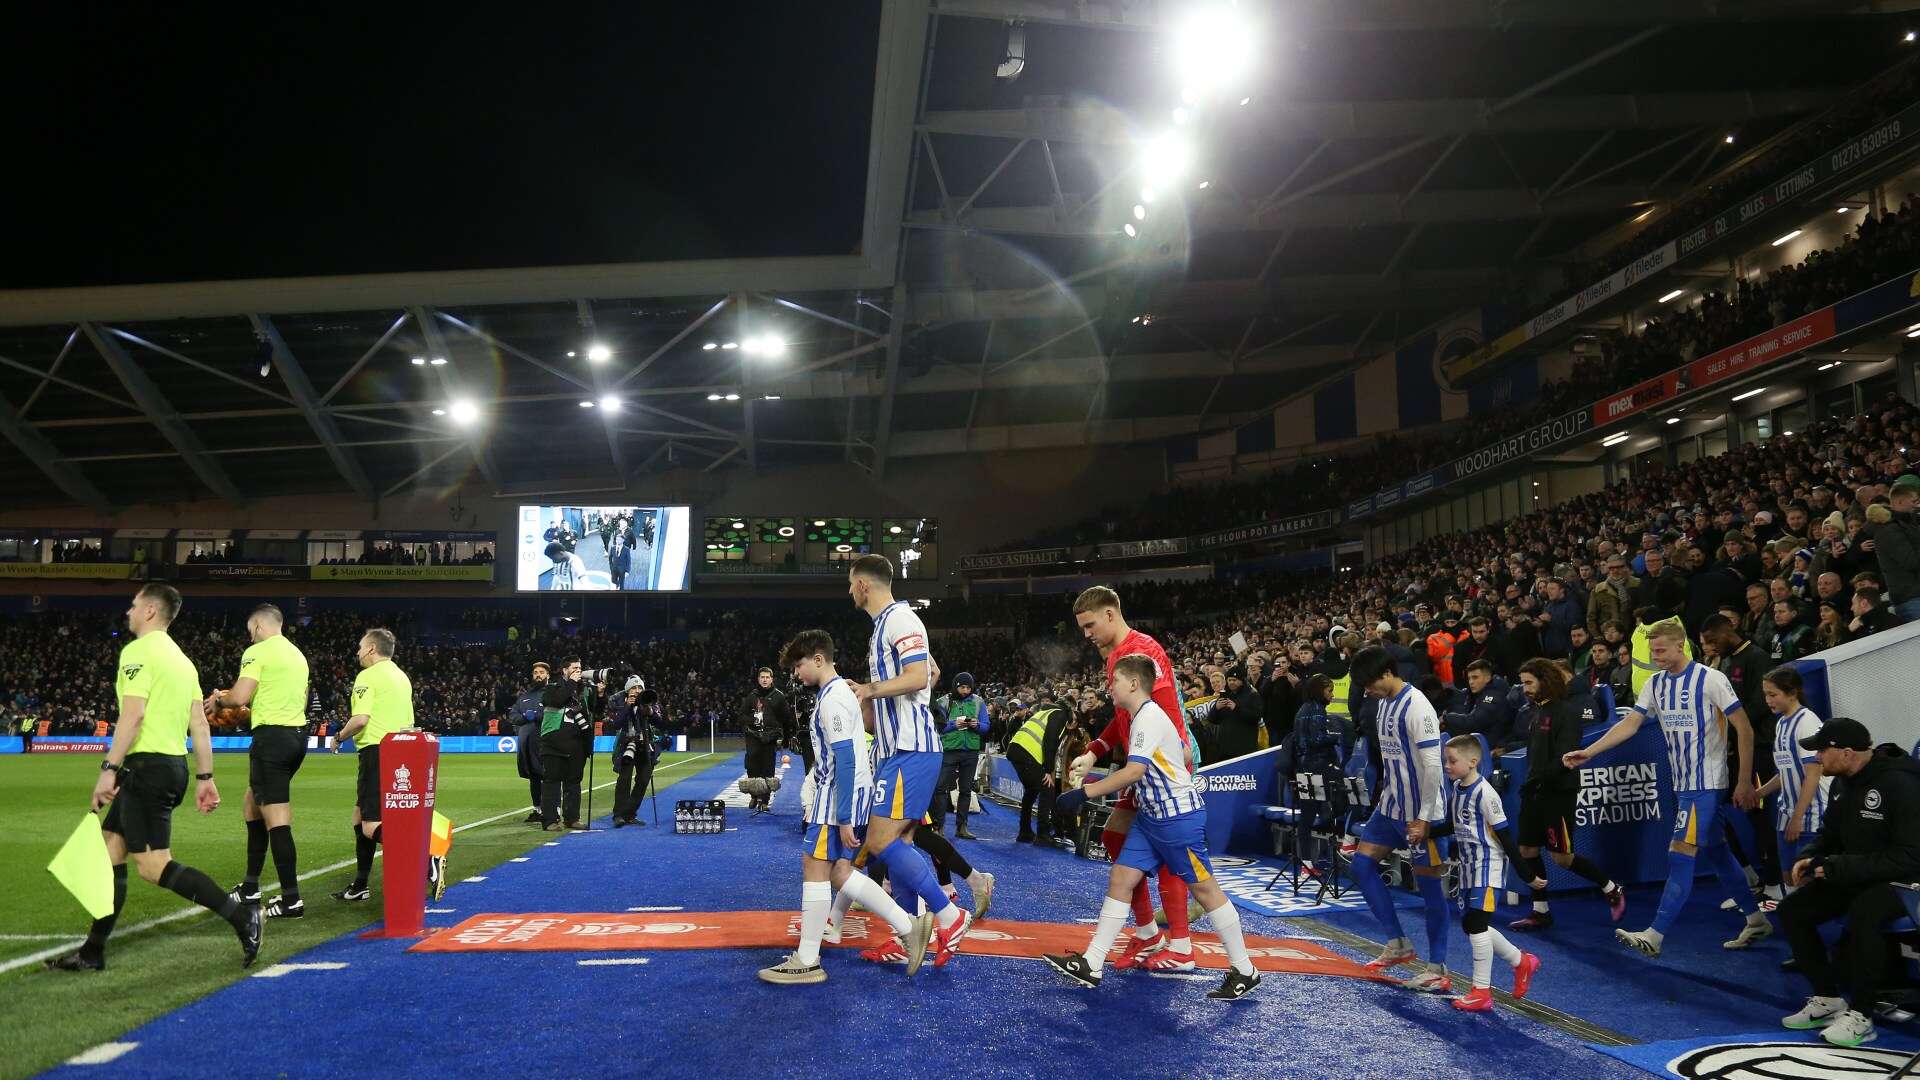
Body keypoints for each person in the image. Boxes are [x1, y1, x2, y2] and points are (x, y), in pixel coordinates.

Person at [46, 585, 263, 972]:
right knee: (111, 850)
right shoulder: (183, 661)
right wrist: (205, 776)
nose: (128, 611)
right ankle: (92, 952)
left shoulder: (138, 653)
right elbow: (199, 723)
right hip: (166, 767)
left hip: (148, 768)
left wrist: (108, 771)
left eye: (133, 605)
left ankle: (242, 916)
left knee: (154, 866)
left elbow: (133, 716)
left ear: (149, 611)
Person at [1044, 654, 1261, 1000]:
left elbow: (1134, 772)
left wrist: (1083, 793)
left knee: (1205, 890)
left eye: (1114, 681)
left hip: (1176, 819)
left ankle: (1245, 969)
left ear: (1133, 683)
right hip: (1153, 817)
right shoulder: (1140, 717)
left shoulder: (1147, 718)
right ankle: (1093, 962)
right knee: (1121, 878)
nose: (1108, 687)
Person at [1563, 620, 1768, 957]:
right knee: (1716, 850)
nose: (1655, 657)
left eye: (1660, 650)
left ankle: (1655, 934)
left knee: (1679, 854)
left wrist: (1743, 780)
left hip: (1706, 783)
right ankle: (1756, 918)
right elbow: (1631, 723)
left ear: (1680, 647)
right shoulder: (1657, 684)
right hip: (1682, 783)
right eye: (1652, 650)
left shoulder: (1710, 679)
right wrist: (1590, 752)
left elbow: (1744, 729)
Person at [759, 630, 927, 983]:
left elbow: (846, 759)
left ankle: (807, 959)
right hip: (845, 793)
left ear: (819, 659)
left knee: (815, 866)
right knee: (840, 873)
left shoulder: (833, 697)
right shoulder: (835, 694)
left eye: (800, 665)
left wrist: (846, 815)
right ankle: (907, 925)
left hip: (836, 796)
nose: (797, 673)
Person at [1068, 585, 1200, 974]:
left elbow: (1167, 711)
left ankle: (1180, 945)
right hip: (1144, 765)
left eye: (1090, 625)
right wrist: (1095, 749)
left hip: (1159, 768)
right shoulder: (1115, 658)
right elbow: (1126, 716)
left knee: (1172, 858)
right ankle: (1151, 936)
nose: (1086, 634)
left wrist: (1177, 755)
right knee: (1115, 838)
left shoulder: (1145, 651)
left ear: (1110, 614)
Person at [848, 554, 971, 969]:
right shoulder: (886, 626)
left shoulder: (900, 619)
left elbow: (920, 677)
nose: (849, 591)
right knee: (895, 845)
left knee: (879, 843)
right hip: (898, 749)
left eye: (851, 584)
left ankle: (950, 916)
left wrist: (870, 688)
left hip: (911, 750)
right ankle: (907, 934)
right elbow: (932, 672)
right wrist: (870, 698)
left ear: (864, 585)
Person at [1778, 717, 1920, 1048]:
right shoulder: (1843, 784)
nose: (1817, 759)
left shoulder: (1901, 785)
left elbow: (1911, 856)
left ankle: (1862, 1015)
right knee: (1793, 911)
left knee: (1863, 913)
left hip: (1906, 882)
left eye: (1821, 752)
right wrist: (1810, 857)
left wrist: (1840, 866)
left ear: (1846, 753)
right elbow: (1830, 835)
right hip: (1859, 873)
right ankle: (1828, 999)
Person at [1346, 645, 1454, 992]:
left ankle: (1437, 968)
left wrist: (1424, 818)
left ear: (1387, 673)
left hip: (1422, 813)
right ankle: (1398, 943)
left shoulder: (1418, 706)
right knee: (1361, 865)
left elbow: (1433, 766)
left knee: (1430, 888)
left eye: (1368, 683)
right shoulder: (1382, 703)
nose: (1365, 690)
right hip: (1391, 806)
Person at [1505, 659, 1626, 932]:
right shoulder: (1535, 712)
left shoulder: (1566, 713)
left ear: (1545, 680)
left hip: (1558, 794)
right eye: (1523, 683)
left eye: (1528, 683)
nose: (1524, 689)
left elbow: (1566, 758)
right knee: (1527, 850)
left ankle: (1611, 887)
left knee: (1562, 857)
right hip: (1534, 792)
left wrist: (1538, 781)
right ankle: (1541, 911)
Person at [209, 604, 311, 919]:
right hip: (296, 737)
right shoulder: (298, 656)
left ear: (257, 627)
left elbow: (239, 697)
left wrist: (217, 702)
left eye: (249, 632)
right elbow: (299, 699)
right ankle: (251, 887)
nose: (249, 638)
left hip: (272, 741)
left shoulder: (258, 652)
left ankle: (292, 899)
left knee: (276, 817)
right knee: (252, 806)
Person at [1432, 736, 1541, 1012]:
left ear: (1473, 761)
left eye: (1452, 761)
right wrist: (1426, 832)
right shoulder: (1457, 788)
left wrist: (1527, 876)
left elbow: (1505, 837)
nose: (1447, 766)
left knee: (1477, 924)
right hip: (1467, 869)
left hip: (1487, 867)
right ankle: (1521, 961)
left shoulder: (1486, 794)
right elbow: (1455, 826)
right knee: (1471, 926)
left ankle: (1481, 991)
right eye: (1446, 760)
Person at [332, 628, 423, 903]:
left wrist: (337, 738)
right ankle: (360, 884)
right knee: (360, 817)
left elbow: (360, 719)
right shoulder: (400, 675)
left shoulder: (368, 676)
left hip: (377, 751)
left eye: (360, 647)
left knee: (371, 825)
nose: (358, 652)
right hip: (403, 751)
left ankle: (427, 856)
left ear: (372, 648)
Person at [1755, 666, 1828, 895]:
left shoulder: (1807, 721)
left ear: (1792, 693)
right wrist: (1758, 793)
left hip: (1809, 814)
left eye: (1773, 694)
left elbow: (1813, 774)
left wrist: (1798, 817)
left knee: (1804, 878)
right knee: (1788, 877)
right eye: (1765, 694)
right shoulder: (1781, 723)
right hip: (1786, 814)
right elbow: (1785, 772)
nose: (1768, 700)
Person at [537, 658, 592, 832]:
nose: (578, 671)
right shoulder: (552, 687)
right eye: (574, 668)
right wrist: (572, 684)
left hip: (577, 744)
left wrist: (599, 695)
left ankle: (572, 818)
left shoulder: (583, 690)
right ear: (564, 670)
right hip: (553, 744)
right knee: (551, 783)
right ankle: (550, 820)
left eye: (580, 668)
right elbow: (557, 701)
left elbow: (592, 713)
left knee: (574, 783)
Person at [1006, 694, 1069, 844]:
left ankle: (1025, 831)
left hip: (1015, 750)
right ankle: (1042, 834)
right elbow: (1050, 740)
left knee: (1031, 790)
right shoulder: (1061, 715)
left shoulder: (1044, 712)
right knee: (1047, 789)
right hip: (1027, 752)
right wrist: (1048, 769)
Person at [933, 672, 989, 839]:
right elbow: (937, 727)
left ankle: (962, 827)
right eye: (962, 687)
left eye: (968, 688)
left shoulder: (979, 702)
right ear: (955, 686)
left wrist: (977, 724)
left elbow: (986, 726)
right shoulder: (943, 701)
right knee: (940, 788)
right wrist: (953, 724)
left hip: (970, 751)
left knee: (966, 790)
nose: (965, 691)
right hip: (949, 749)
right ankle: (938, 827)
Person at [1871, 472, 1920, 622]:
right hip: (1911, 599)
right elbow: (1912, 562)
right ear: (1899, 502)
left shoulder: (1908, 524)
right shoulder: (1888, 529)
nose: (1917, 505)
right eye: (1914, 501)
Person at [741, 667, 789, 813]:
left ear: (772, 679)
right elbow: (741, 716)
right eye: (762, 677)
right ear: (758, 679)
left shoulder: (779, 697)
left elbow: (785, 718)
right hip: (753, 737)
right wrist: (752, 719)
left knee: (768, 769)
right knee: (752, 767)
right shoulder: (751, 696)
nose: (765, 679)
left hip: (770, 738)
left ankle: (765, 801)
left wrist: (783, 736)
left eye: (767, 677)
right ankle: (754, 795)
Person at [610, 676, 656, 828]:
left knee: (643, 779)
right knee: (624, 780)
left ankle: (629, 814)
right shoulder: (619, 702)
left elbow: (661, 722)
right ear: (627, 690)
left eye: (639, 688)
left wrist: (650, 711)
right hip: (626, 745)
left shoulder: (648, 702)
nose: (637, 691)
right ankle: (618, 815)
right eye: (633, 688)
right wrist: (627, 706)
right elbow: (616, 724)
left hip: (644, 746)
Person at [511, 664, 549, 823]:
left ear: (548, 674)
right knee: (533, 777)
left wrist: (538, 715)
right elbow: (513, 715)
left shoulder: (552, 693)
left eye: (541, 672)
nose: (538, 675)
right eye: (535, 673)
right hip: (526, 744)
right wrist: (525, 717)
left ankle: (551, 810)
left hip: (546, 741)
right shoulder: (524, 696)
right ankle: (537, 809)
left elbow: (554, 713)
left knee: (548, 777)